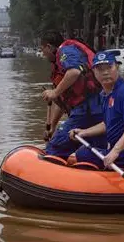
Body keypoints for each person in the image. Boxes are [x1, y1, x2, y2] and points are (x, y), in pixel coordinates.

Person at [69, 52, 124, 171]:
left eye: (109, 67)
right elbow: (108, 124)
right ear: (94, 72)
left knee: (83, 153)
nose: (105, 72)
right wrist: (83, 132)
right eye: (100, 69)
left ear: (116, 67)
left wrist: (115, 152)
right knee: (92, 141)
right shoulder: (105, 95)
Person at [39, 31, 106, 164]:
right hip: (93, 108)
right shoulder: (60, 65)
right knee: (95, 150)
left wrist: (54, 92)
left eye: (42, 50)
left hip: (87, 109)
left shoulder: (65, 51)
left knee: (54, 149)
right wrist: (52, 126)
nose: (43, 54)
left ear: (48, 47)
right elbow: (63, 101)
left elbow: (74, 71)